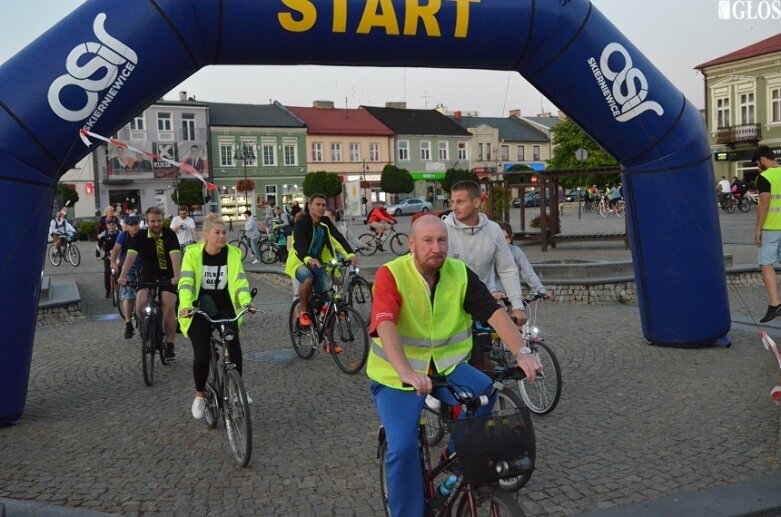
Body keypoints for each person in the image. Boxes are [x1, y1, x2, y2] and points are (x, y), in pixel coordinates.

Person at [367, 215, 542, 517]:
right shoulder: (391, 274)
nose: (437, 247)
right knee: (403, 449)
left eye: (442, 240)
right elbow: (385, 323)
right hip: (397, 376)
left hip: (446, 368)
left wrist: (522, 351)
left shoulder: (459, 273)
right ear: (411, 245)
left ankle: (457, 459)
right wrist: (406, 371)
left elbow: (493, 312)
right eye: (428, 241)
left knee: (486, 394)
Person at [178, 213, 255, 419]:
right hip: (198, 304)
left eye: (224, 232)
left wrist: (246, 302)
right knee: (202, 354)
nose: (222, 236)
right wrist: (185, 305)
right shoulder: (193, 254)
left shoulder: (232, 254)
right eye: (217, 233)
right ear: (206, 235)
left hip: (224, 304)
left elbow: (240, 281)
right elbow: (185, 283)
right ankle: (200, 395)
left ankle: (238, 391)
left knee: (234, 347)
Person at [443, 180, 528, 326]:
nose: (454, 207)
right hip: (452, 305)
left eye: (460, 202)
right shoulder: (443, 230)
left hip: (485, 303)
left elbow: (507, 269)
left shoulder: (493, 230)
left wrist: (517, 306)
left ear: (476, 203)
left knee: (494, 344)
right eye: (452, 202)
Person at [284, 193, 356, 335]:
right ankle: (304, 311)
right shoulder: (302, 223)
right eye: (318, 204)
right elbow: (299, 245)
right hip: (299, 261)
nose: (321, 208)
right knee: (308, 277)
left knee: (329, 299)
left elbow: (338, 238)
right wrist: (307, 258)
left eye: (323, 205)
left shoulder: (325, 222)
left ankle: (328, 341)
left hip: (318, 263)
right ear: (310, 206)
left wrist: (350, 254)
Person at [117, 207, 181, 359]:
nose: (156, 224)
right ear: (147, 221)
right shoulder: (140, 235)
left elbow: (175, 256)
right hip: (147, 274)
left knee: (169, 306)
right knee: (140, 303)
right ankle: (145, 326)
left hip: (167, 274)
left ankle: (170, 344)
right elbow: (130, 256)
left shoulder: (169, 234)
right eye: (152, 221)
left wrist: (177, 276)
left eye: (159, 221)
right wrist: (123, 276)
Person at [753, 146, 781, 323]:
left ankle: (775, 304)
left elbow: (764, 204)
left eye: (758, 163)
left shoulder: (764, 177)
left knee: (766, 264)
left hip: (771, 228)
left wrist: (758, 230)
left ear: (763, 160)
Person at [495, 223, 553, 301]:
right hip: (493, 297)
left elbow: (528, 273)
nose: (504, 241)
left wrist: (541, 291)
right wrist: (494, 292)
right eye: (500, 238)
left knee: (520, 312)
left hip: (513, 295)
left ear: (511, 238)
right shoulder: (490, 254)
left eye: (506, 237)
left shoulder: (516, 252)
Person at [110, 215, 142, 339]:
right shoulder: (123, 236)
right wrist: (113, 263)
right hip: (127, 269)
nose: (135, 226)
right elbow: (116, 249)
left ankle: (147, 318)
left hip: (143, 268)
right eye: (132, 224)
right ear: (127, 226)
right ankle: (128, 324)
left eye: (136, 223)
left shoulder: (143, 235)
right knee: (128, 296)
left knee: (148, 293)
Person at [96, 220, 120, 299]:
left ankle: (122, 288)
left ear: (115, 226)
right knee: (107, 273)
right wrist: (98, 255)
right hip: (107, 256)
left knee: (121, 271)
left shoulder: (120, 233)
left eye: (113, 225)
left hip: (118, 256)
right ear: (107, 226)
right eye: (109, 225)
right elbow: (98, 246)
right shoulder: (104, 234)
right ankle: (108, 290)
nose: (111, 227)